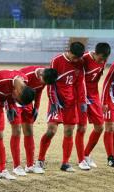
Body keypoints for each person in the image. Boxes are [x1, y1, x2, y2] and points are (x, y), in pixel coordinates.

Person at [37, 42, 86, 172]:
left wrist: (81, 102)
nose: (75, 60)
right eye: (74, 57)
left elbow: (79, 84)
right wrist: (53, 102)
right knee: (51, 131)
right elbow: (50, 83)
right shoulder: (57, 61)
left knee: (69, 131)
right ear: (68, 51)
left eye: (78, 58)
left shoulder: (80, 63)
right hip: (56, 102)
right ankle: (40, 160)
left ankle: (65, 163)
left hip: (71, 103)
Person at [7, 66, 58, 176]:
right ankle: (16, 166)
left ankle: (30, 165)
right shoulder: (26, 75)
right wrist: (10, 107)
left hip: (28, 103)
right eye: (43, 81)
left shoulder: (45, 77)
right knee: (16, 131)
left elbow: (38, 92)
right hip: (16, 101)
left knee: (29, 132)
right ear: (40, 75)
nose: (43, 83)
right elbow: (11, 89)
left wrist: (37, 107)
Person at [75, 43, 111, 170]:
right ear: (95, 53)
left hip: (93, 95)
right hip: (81, 96)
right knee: (81, 128)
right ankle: (80, 160)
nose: (102, 61)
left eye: (104, 59)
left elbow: (97, 79)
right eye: (100, 58)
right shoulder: (83, 59)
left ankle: (86, 154)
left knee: (99, 127)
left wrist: (102, 101)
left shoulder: (104, 60)